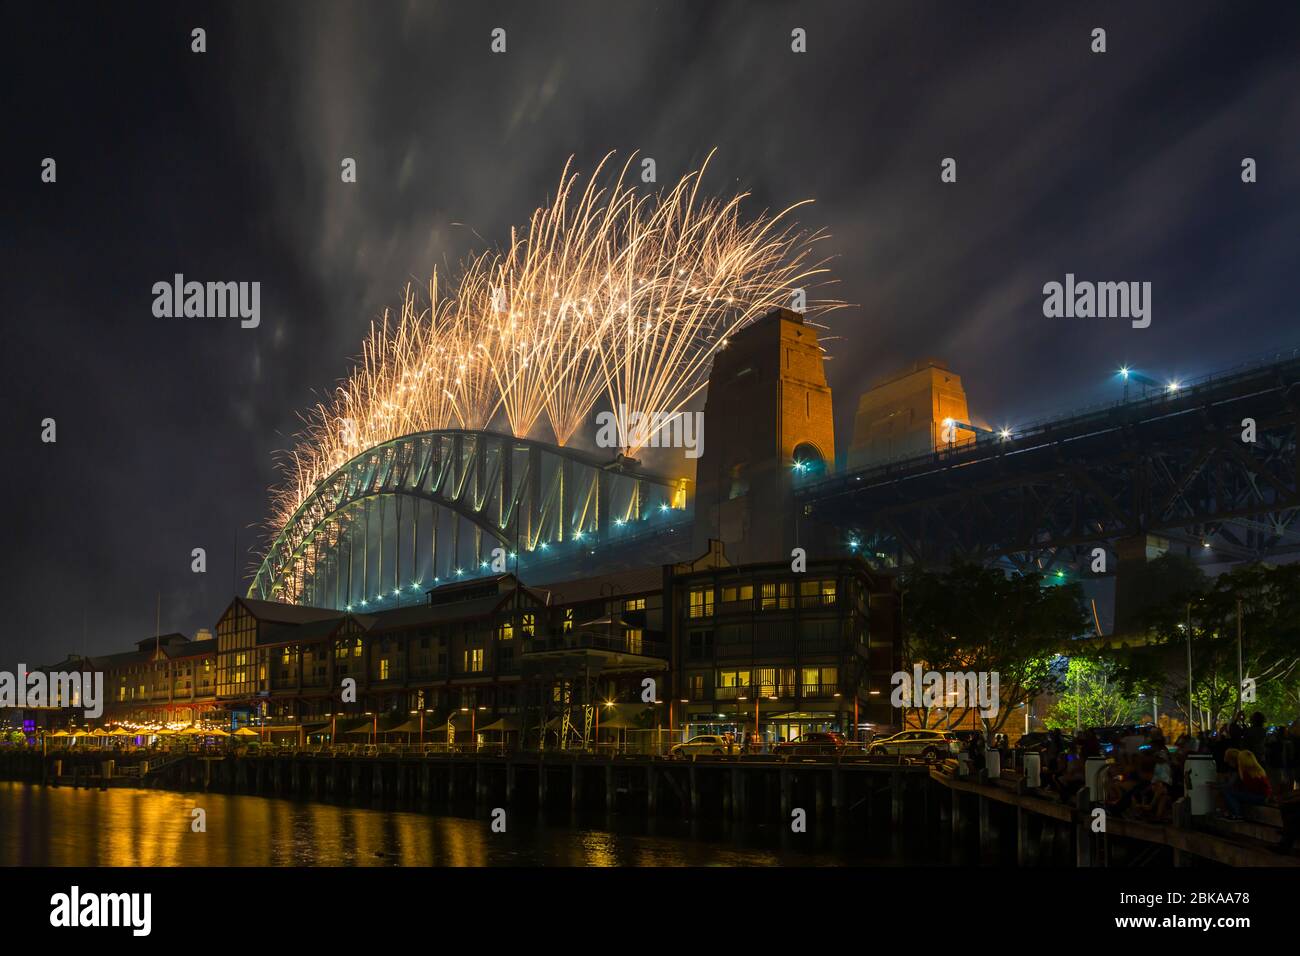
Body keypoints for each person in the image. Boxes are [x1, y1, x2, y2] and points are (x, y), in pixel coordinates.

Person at [1221, 749, 1271, 820]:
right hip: (1262, 796)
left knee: (1228, 792)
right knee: (1230, 792)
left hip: (1259, 797)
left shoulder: (1247, 773)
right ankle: (1235, 813)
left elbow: (1250, 788)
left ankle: (1237, 814)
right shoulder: (1257, 770)